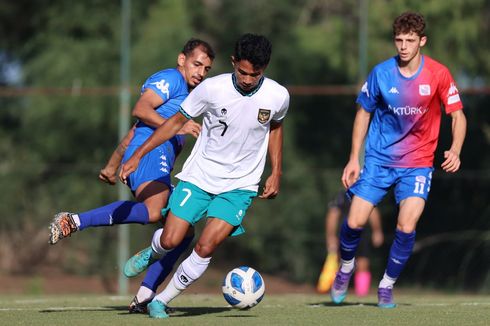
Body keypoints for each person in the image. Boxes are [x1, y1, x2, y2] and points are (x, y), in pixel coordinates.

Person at [119, 33, 289, 319]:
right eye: (243, 72)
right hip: (199, 177)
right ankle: (154, 250)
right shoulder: (211, 88)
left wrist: (276, 172)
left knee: (205, 245)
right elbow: (175, 123)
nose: (247, 80)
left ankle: (161, 300)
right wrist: (137, 155)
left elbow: (276, 128)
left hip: (240, 185)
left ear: (265, 68)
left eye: (255, 74)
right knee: (172, 240)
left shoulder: (278, 95)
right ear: (234, 62)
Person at [47, 39, 215, 312]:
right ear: (181, 60)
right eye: (197, 64)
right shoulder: (171, 79)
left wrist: (112, 165)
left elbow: (131, 132)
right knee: (153, 211)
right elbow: (141, 110)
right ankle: (73, 220)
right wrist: (176, 128)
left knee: (183, 232)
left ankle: (145, 297)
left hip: (151, 157)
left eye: (206, 68)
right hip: (150, 153)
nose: (201, 72)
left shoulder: (193, 95)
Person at [331, 11, 466, 308]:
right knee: (354, 221)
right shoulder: (381, 73)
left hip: (418, 164)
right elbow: (362, 114)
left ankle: (386, 286)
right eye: (399, 40)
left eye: (410, 40)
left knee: (406, 226)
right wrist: (354, 158)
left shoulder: (438, 74)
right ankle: (345, 268)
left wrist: (455, 149)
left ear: (422, 41)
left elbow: (457, 115)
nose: (403, 46)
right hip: (379, 161)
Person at [317, 191, 383, 296]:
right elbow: (332, 216)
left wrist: (377, 231)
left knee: (363, 263)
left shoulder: (367, 193)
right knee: (341, 263)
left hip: (362, 234)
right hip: (344, 234)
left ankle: (362, 294)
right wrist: (331, 236)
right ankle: (338, 290)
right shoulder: (341, 196)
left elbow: (373, 212)